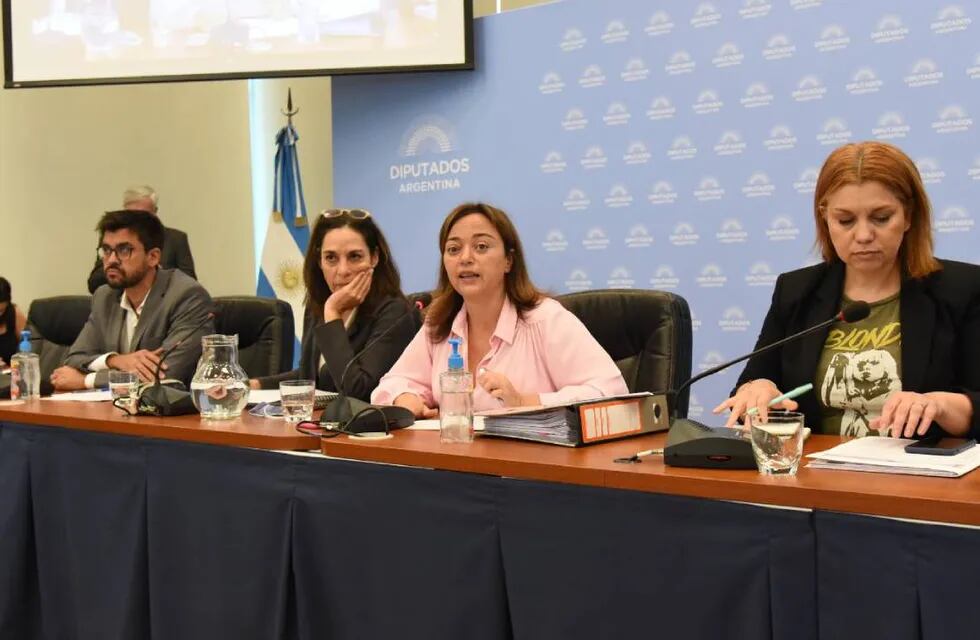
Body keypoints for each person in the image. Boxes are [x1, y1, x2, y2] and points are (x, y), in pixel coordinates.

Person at [715, 141, 980, 440]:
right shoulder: (796, 291)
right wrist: (757, 389)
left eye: (881, 218)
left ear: (908, 216)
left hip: (919, 478)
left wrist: (939, 404)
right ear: (825, 219)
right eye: (845, 221)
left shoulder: (962, 289)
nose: (864, 235)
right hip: (815, 474)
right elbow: (751, 387)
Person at [371, 202, 628, 416]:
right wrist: (406, 399)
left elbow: (611, 392)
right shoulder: (439, 325)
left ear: (508, 260)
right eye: (453, 249)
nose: (465, 258)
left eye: (481, 246)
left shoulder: (546, 320)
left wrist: (524, 402)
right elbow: (392, 383)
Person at [251, 209, 417, 401]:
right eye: (331, 258)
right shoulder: (318, 305)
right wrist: (256, 385)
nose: (343, 270)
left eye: (354, 256)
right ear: (319, 261)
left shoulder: (395, 312)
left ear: (374, 257)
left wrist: (333, 313)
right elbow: (312, 375)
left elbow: (358, 390)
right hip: (319, 426)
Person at [52, 210, 214, 390]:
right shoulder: (104, 297)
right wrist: (117, 360)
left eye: (124, 250)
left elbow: (164, 375)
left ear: (153, 257)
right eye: (106, 250)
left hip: (170, 414)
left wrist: (86, 381)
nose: (112, 260)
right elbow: (74, 359)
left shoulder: (187, 296)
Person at [87, 185, 197, 293]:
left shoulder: (176, 238)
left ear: (155, 212)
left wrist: (154, 274)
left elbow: (189, 282)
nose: (137, 221)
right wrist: (120, 270)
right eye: (131, 215)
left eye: (143, 215)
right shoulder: (113, 240)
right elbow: (94, 283)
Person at [0, 277, 29, 367]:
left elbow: (28, 353)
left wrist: (13, 366)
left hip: (12, 374)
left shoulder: (14, 313)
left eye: (1, 310)